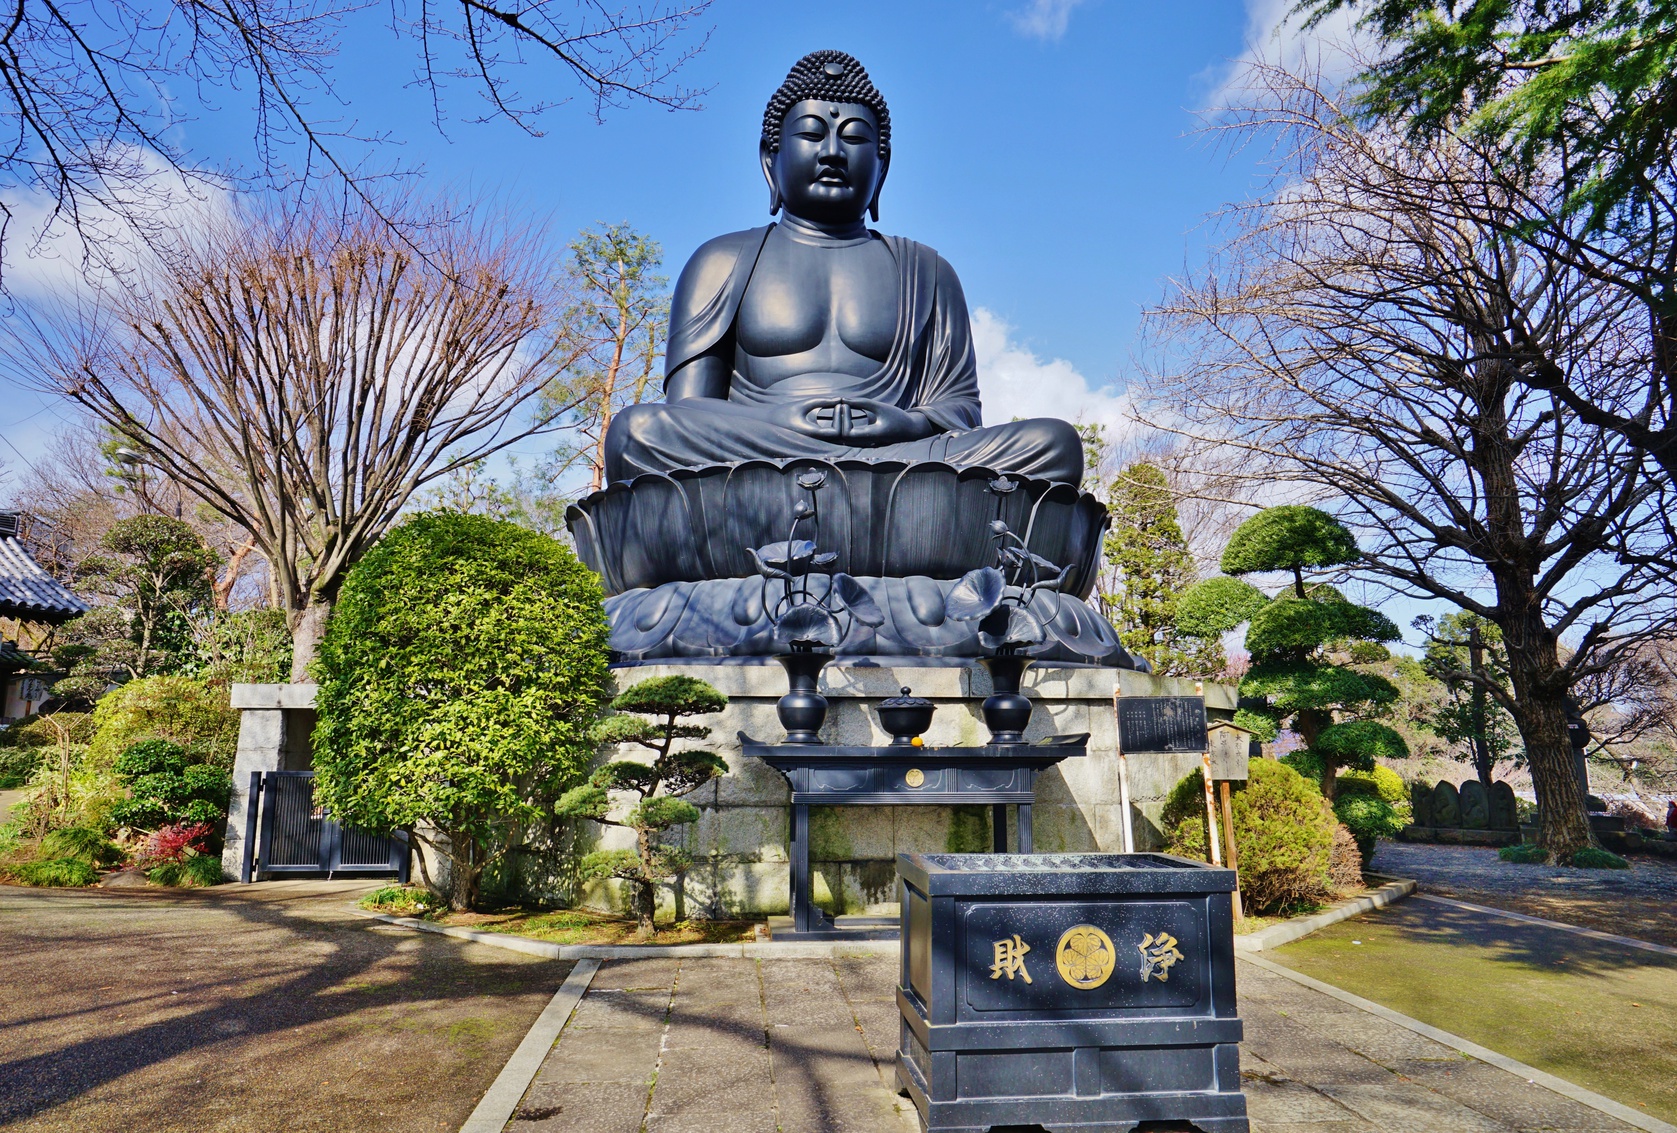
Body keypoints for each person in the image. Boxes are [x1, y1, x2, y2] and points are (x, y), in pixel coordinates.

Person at [602, 50, 1084, 486]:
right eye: (811, 133)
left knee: (1053, 445)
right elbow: (685, 408)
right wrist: (779, 421)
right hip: (764, 453)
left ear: (882, 165)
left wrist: (910, 422)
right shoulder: (722, 261)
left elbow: (959, 410)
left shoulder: (928, 271)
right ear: (771, 160)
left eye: (854, 138)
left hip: (900, 457)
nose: (832, 151)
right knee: (638, 432)